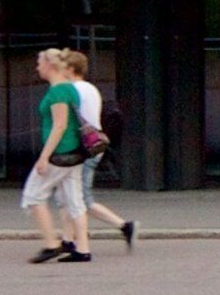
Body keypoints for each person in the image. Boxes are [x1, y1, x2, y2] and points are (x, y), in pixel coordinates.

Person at [21, 46, 98, 263]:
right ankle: (82, 249)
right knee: (74, 201)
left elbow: (60, 125)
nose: (37, 68)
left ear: (50, 65)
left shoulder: (57, 92)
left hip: (60, 153)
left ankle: (51, 243)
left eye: (39, 63)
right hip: (75, 152)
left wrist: (44, 156)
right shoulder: (71, 89)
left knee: (33, 196)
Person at [59, 47, 135, 254]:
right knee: (69, 194)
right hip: (94, 145)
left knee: (81, 198)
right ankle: (67, 239)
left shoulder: (73, 90)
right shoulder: (91, 89)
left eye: (63, 66)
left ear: (71, 68)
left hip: (82, 150)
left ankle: (123, 226)